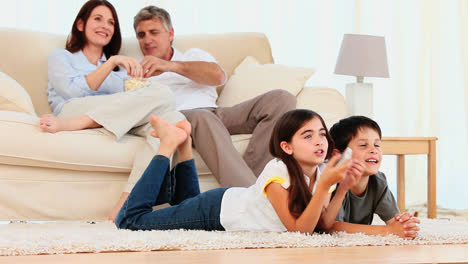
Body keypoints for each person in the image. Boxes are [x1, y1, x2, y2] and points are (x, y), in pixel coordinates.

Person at [39, 0, 185, 220]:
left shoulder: (120, 71)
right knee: (162, 95)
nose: (105, 26)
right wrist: (111, 62)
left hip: (115, 120)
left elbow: (129, 103)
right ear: (81, 24)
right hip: (71, 113)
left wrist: (136, 83)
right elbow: (72, 92)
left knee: (170, 118)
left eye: (111, 22)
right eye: (98, 19)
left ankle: (125, 204)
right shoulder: (62, 57)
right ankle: (82, 122)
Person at [116, 109, 363, 233]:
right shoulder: (277, 171)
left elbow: (323, 224)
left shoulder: (322, 173)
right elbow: (299, 231)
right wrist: (323, 188)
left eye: (321, 134)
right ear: (286, 147)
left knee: (186, 203)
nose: (319, 141)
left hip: (229, 199)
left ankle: (185, 143)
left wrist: (340, 189)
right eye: (307, 136)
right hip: (215, 211)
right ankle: (168, 144)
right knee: (130, 221)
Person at [132, 6, 297, 188]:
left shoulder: (193, 55)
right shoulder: (134, 72)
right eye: (141, 35)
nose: (147, 40)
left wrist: (169, 66)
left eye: (153, 32)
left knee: (282, 99)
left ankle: (253, 186)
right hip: (181, 118)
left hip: (217, 114)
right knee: (204, 117)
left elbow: (217, 76)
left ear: (170, 34)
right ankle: (250, 197)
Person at [319, 116, 421, 240]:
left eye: (377, 145)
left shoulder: (378, 181)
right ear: (339, 154)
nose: (373, 150)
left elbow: (394, 221)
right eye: (363, 145)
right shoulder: (333, 181)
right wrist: (388, 230)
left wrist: (405, 225)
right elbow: (333, 227)